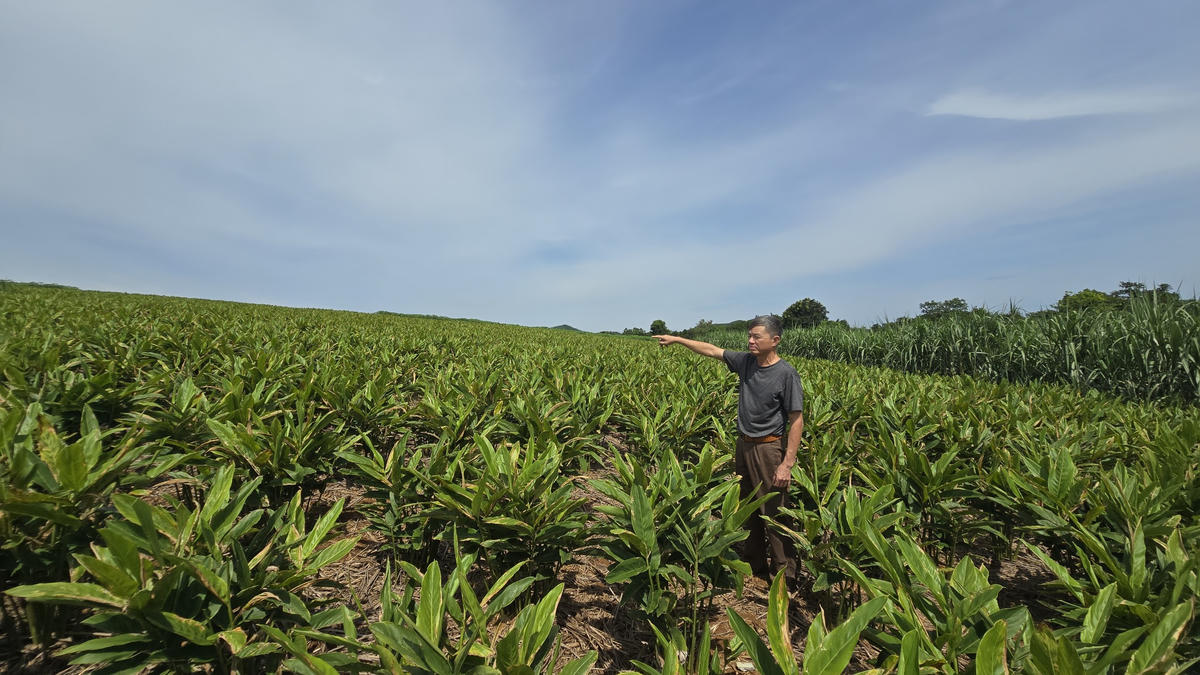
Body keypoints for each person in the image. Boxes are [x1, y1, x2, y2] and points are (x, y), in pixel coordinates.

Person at [654, 315, 802, 585]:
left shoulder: (786, 374)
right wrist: (677, 339)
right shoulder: (746, 362)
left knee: (775, 511)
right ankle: (754, 565)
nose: (750, 341)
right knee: (747, 506)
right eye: (749, 336)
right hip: (744, 445)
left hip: (769, 448)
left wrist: (787, 464)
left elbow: (796, 419)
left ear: (775, 340)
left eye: (757, 336)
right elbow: (711, 349)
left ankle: (785, 576)